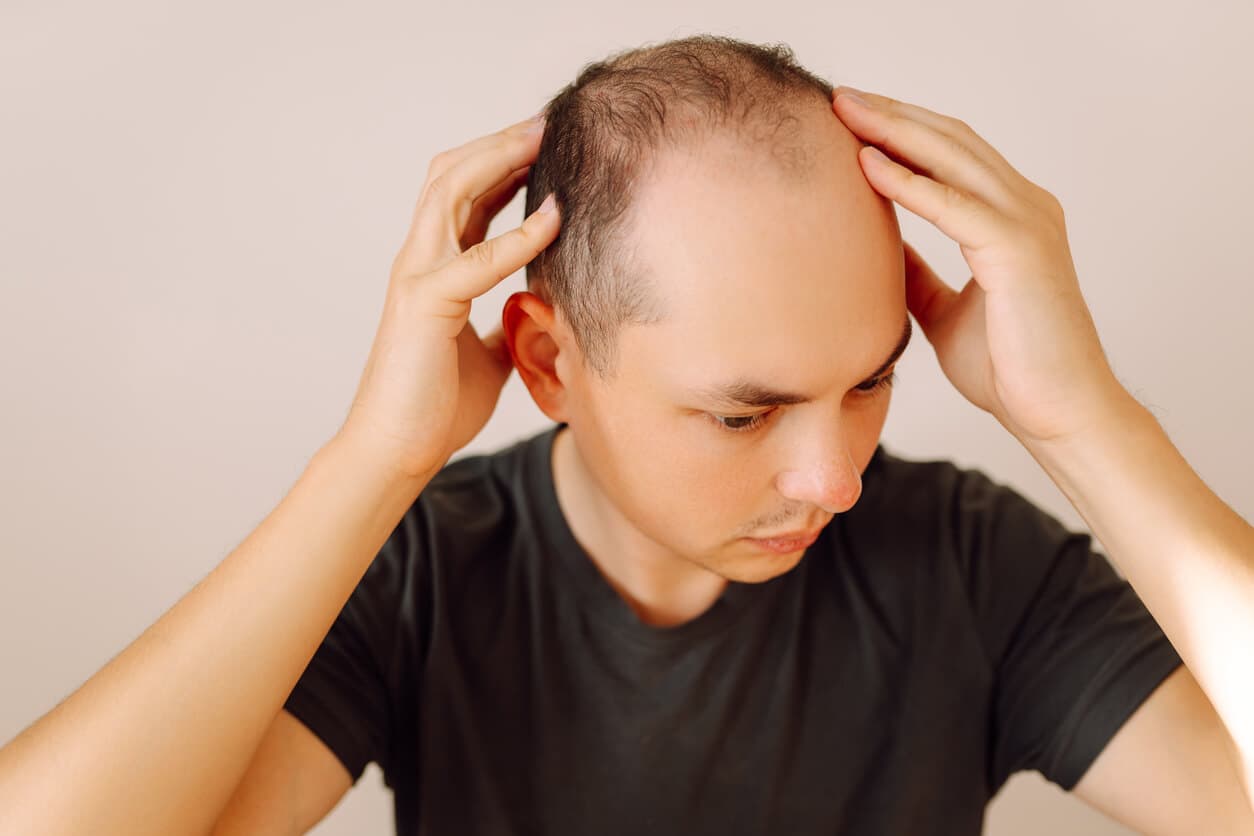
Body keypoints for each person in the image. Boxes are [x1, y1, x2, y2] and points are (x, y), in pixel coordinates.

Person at [0, 34, 1251, 836]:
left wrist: (1083, 418)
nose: (834, 477)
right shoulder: (426, 571)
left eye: (870, 382)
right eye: (742, 411)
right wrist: (370, 465)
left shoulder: (975, 564)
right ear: (547, 359)